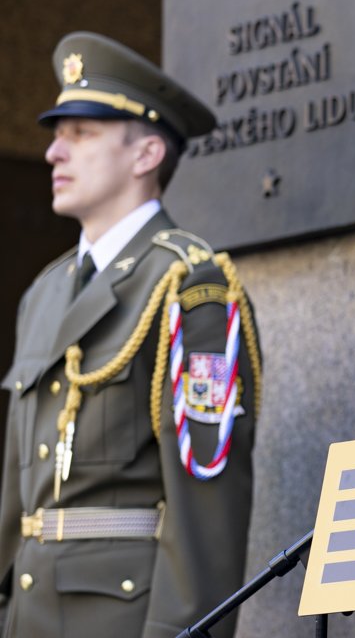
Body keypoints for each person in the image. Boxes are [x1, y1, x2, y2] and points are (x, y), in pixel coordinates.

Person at [0, 33, 262, 638]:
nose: (53, 154)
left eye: (80, 133)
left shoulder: (190, 287)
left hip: (120, 618)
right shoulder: (43, 293)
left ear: (146, 154)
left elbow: (207, 512)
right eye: (55, 133)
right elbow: (18, 500)